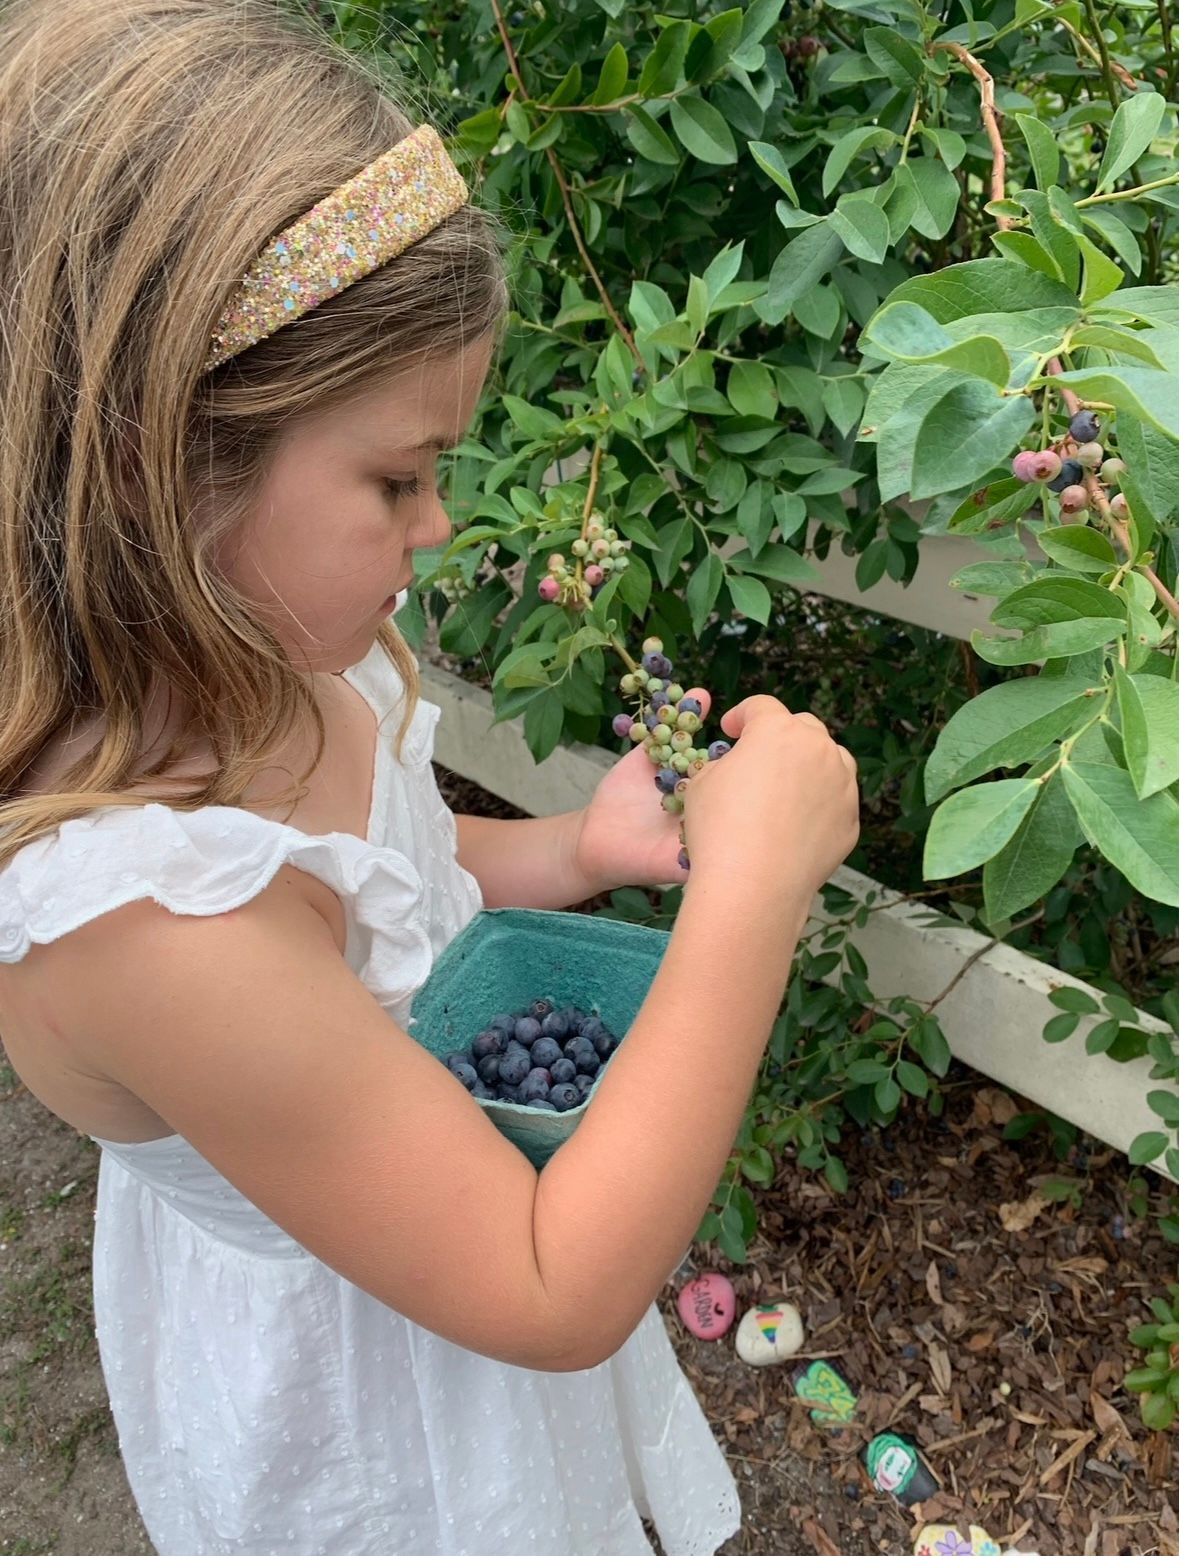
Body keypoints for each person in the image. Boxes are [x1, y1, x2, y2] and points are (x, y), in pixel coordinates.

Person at [0, 1, 860, 1552]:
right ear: (159, 460)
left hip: (427, 1237)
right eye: (399, 476)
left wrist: (571, 855)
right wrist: (755, 898)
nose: (440, 527)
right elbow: (548, 1285)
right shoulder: (149, 923)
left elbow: (394, 885)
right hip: (377, 1393)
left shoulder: (264, 643)